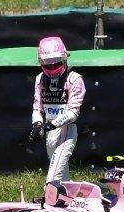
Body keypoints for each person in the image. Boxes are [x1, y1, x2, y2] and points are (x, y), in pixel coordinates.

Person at [29, 36, 86, 183]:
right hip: (50, 132)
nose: (52, 67)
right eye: (47, 63)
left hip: (67, 129)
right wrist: (37, 125)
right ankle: (67, 199)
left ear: (65, 58)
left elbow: (74, 112)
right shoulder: (40, 79)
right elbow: (37, 107)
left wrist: (51, 125)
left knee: (54, 174)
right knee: (62, 173)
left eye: (56, 62)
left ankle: (50, 196)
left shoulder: (74, 79)